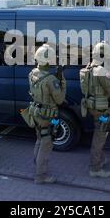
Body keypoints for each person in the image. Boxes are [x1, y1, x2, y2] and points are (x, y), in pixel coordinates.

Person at [81, 41, 110, 178]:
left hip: (91, 107)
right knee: (100, 136)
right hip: (102, 109)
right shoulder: (102, 72)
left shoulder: (85, 70)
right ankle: (95, 168)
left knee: (99, 132)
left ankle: (101, 159)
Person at [28, 44, 66, 184]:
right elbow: (60, 99)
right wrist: (62, 81)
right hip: (47, 115)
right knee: (46, 143)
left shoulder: (32, 73)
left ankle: (37, 164)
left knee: (39, 139)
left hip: (36, 112)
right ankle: (40, 176)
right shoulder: (51, 80)